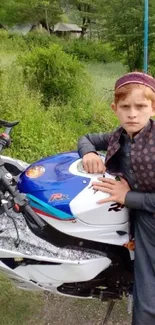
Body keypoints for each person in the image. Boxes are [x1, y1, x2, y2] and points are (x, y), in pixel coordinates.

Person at [77, 71, 155, 325]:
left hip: (149, 220)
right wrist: (88, 153)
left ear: (152, 107)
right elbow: (87, 138)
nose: (132, 113)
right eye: (125, 107)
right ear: (115, 108)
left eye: (141, 106)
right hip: (136, 215)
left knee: (149, 295)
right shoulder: (119, 136)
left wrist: (129, 196)